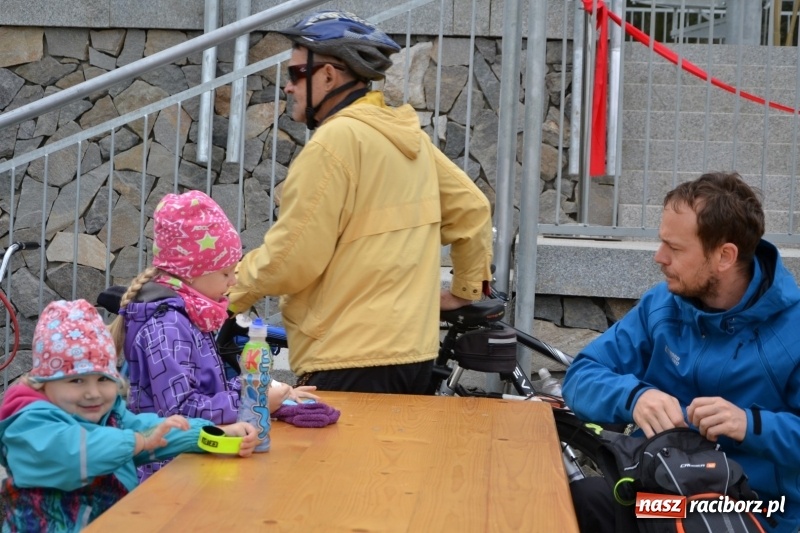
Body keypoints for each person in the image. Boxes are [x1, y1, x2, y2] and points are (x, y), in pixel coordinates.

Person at [226, 10, 493, 393]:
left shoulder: (335, 142)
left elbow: (292, 257)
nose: (287, 86)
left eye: (297, 73)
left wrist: (229, 295)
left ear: (329, 75)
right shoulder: (405, 136)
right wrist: (465, 290)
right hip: (413, 355)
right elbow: (472, 208)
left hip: (348, 356)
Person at [562, 172, 800, 533]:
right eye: (662, 243)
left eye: (674, 248)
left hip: (756, 509)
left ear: (724, 256)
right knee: (577, 501)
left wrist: (750, 425)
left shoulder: (793, 329)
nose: (659, 258)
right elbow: (581, 375)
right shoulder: (661, 306)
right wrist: (635, 396)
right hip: (661, 497)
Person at [109, 190, 317, 480]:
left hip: (192, 463)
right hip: (165, 475)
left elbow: (209, 390)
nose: (234, 281)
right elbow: (181, 413)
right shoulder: (167, 326)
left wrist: (269, 390)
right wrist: (253, 403)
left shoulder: (187, 314)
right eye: (225, 273)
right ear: (192, 273)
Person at [0, 299, 258, 532]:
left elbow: (152, 430)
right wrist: (138, 442)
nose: (93, 393)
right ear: (43, 384)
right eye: (76, 381)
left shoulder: (110, 415)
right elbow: (76, 453)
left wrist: (213, 435)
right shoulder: (28, 424)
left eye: (103, 379)